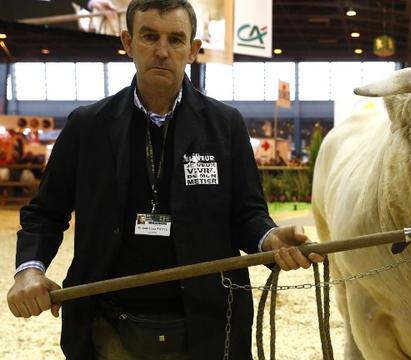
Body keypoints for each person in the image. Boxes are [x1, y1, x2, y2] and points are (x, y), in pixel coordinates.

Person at [6, 0, 323, 359]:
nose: (161, 51)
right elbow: (45, 213)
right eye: (149, 36)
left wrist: (270, 238)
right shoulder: (86, 125)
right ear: (127, 42)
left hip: (208, 323)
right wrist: (29, 271)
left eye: (175, 39)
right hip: (106, 324)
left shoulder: (225, 125)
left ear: (193, 50)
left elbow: (246, 214)